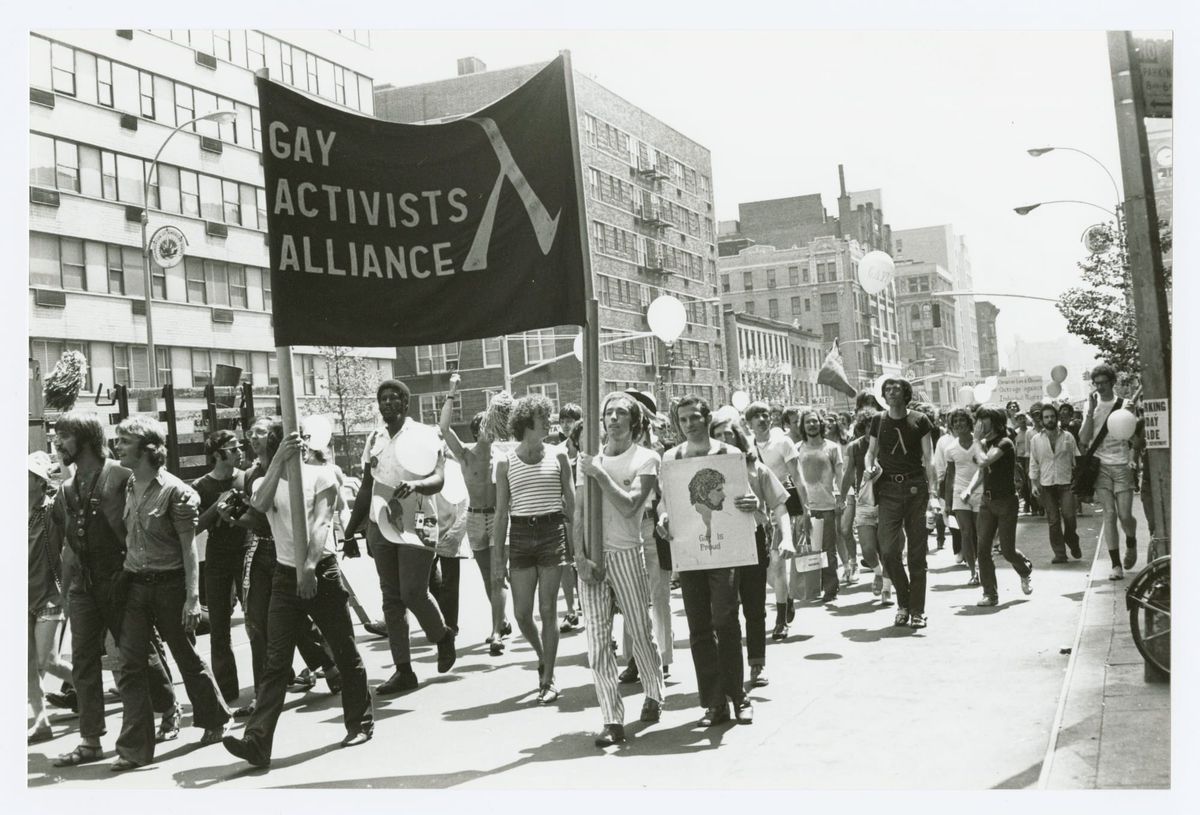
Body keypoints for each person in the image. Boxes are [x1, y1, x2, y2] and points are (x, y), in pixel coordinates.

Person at [222, 420, 373, 768]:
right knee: (276, 661)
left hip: (321, 570)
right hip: (284, 574)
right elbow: (257, 505)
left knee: (344, 649)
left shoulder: (322, 476)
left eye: (300, 443)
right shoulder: (265, 481)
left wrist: (309, 568)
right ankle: (257, 742)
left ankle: (360, 723)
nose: (301, 448)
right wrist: (276, 463)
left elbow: (321, 522)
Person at [48, 411, 180, 768]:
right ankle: (90, 740)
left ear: (87, 439)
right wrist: (64, 593)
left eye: (65, 436)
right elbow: (70, 545)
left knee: (134, 658)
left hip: (123, 580)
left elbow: (149, 517)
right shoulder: (68, 487)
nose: (59, 444)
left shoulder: (122, 476)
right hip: (85, 585)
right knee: (83, 663)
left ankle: (168, 707)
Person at [111, 415, 231, 771]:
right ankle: (134, 748)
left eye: (124, 441)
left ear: (148, 449)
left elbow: (189, 548)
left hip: (170, 586)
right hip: (136, 585)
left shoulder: (177, 492)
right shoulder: (129, 485)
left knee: (184, 654)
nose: (117, 446)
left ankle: (215, 718)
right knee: (131, 663)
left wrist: (193, 598)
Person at [346, 379, 457, 693]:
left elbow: (437, 478)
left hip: (418, 517)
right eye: (383, 399)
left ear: (406, 404)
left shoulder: (425, 434)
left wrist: (418, 486)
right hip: (382, 521)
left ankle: (442, 635)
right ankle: (403, 670)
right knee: (391, 600)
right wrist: (353, 530)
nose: (388, 403)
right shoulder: (375, 437)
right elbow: (367, 488)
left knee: (412, 592)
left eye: (395, 398)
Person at [657, 395, 757, 727]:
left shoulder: (728, 454)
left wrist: (751, 501)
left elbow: (747, 497)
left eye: (695, 417)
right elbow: (665, 502)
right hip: (689, 551)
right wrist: (663, 517)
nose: (690, 424)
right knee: (699, 626)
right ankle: (713, 702)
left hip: (725, 549)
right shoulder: (672, 458)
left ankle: (739, 695)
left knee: (726, 618)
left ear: (707, 417)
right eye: (683, 419)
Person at [229, 419, 340, 719]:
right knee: (257, 622)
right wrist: (237, 517)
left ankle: (329, 664)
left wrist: (310, 563)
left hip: (298, 552)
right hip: (264, 548)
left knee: (300, 621)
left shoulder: (312, 472)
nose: (254, 438)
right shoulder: (254, 474)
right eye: (250, 433)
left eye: (261, 433)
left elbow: (320, 519)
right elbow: (258, 513)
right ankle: (262, 698)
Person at [575, 392, 664, 746]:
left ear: (635, 421)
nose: (613, 419)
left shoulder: (646, 458)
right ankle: (611, 719)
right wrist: (579, 558)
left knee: (639, 631)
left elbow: (630, 507)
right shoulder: (589, 461)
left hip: (627, 553)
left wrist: (599, 474)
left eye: (621, 413)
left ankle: (654, 691)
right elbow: (580, 512)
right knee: (597, 643)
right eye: (608, 413)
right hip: (594, 558)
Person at [494, 394, 574, 703]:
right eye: (544, 417)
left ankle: (549, 677)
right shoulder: (505, 461)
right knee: (522, 613)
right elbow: (501, 513)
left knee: (548, 609)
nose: (549, 422)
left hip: (551, 531)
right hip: (521, 535)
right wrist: (498, 561)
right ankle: (543, 655)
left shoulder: (559, 456)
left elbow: (572, 504)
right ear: (528, 422)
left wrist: (576, 542)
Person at [710, 416, 792, 689]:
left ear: (738, 437)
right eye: (717, 434)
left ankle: (757, 664)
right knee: (723, 611)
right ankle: (726, 667)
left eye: (728, 434)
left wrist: (787, 539)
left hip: (752, 541)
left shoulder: (756, 469)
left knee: (754, 608)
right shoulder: (700, 468)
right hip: (717, 545)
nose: (723, 439)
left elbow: (779, 506)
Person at [439, 375, 513, 654]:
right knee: (487, 577)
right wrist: (452, 392)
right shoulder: (466, 456)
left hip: (497, 518)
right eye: (485, 427)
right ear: (477, 431)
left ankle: (495, 632)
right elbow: (444, 428)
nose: (490, 432)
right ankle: (502, 619)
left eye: (493, 427)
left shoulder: (502, 455)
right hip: (473, 518)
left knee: (498, 576)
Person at [863, 377, 937, 629]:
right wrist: (869, 467)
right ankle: (903, 601)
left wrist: (934, 494)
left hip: (916, 488)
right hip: (889, 490)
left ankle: (916, 610)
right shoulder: (878, 420)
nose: (891, 391)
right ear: (883, 396)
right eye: (887, 389)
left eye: (897, 388)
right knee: (888, 551)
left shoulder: (920, 420)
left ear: (906, 394)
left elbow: (929, 458)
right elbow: (870, 452)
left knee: (917, 552)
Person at [618, 392, 674, 685]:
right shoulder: (614, 450)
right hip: (626, 528)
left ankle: (662, 657)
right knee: (630, 597)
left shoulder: (659, 452)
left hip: (654, 526)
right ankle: (633, 659)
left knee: (658, 596)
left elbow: (667, 492)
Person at [191, 429, 249, 706]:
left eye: (239, 447)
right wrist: (217, 506)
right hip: (218, 555)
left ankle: (272, 680)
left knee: (257, 618)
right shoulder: (201, 486)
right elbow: (194, 526)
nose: (239, 452)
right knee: (220, 623)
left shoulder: (246, 477)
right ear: (217, 455)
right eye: (233, 448)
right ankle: (226, 689)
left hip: (247, 550)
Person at [963, 406, 1034, 606]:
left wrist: (976, 440)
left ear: (995, 423)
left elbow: (985, 461)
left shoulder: (1005, 443)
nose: (979, 425)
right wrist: (970, 488)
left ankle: (1024, 569)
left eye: (983, 420)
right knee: (983, 549)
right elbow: (981, 469)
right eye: (978, 420)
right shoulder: (984, 443)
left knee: (1007, 550)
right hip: (987, 501)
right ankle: (990, 594)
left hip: (1006, 502)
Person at [746, 402, 802, 639]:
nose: (762, 419)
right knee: (768, 572)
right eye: (756, 416)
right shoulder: (744, 446)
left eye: (765, 415)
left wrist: (806, 511)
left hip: (782, 503)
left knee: (778, 564)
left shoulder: (783, 442)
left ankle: (781, 620)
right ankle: (787, 597)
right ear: (748, 423)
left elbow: (797, 477)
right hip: (757, 510)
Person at [28, 451, 73, 744]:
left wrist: (60, 461)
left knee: (47, 660)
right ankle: (41, 720)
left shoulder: (52, 509)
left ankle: (88, 684)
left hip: (49, 595)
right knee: (28, 663)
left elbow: (71, 489)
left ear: (39, 481)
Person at [1079, 364, 1139, 579]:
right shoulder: (1091, 406)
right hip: (1100, 466)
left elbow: (1135, 438)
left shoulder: (1124, 405)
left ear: (1113, 382)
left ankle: (1131, 542)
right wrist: (1090, 413)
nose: (1100, 387)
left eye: (1104, 383)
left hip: (1122, 465)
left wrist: (1132, 418)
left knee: (1124, 515)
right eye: (1097, 384)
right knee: (1109, 514)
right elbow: (1084, 440)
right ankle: (1115, 565)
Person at [840, 410, 891, 604]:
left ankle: (887, 588)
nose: (874, 429)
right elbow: (847, 474)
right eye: (870, 426)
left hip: (889, 501)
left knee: (888, 549)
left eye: (878, 426)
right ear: (865, 427)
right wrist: (842, 497)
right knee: (868, 549)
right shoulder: (855, 446)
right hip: (864, 502)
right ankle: (877, 572)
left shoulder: (888, 444)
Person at [795, 409, 844, 603]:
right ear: (803, 426)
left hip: (826, 506)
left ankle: (831, 588)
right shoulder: (797, 448)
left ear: (820, 424)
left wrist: (841, 498)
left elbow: (839, 475)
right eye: (808, 422)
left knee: (827, 549)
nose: (812, 425)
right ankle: (812, 587)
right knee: (807, 550)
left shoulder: (831, 447)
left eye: (815, 421)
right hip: (804, 507)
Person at [1029, 404, 1082, 563]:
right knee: (1053, 521)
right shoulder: (1036, 440)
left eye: (1052, 416)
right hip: (1047, 484)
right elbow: (1034, 462)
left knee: (1069, 517)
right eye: (1046, 417)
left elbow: (1076, 459)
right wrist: (1033, 483)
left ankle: (1072, 541)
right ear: (1042, 419)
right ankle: (1060, 553)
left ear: (1057, 417)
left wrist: (1078, 480)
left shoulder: (1068, 437)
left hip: (1066, 483)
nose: (1050, 419)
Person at [934, 409, 981, 585]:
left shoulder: (979, 444)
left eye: (963, 420)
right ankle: (973, 571)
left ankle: (983, 566)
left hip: (979, 491)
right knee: (966, 533)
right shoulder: (950, 449)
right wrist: (947, 502)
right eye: (956, 421)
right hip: (959, 494)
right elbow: (950, 476)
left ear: (969, 423)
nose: (959, 424)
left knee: (980, 533)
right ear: (952, 426)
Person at [556, 402, 584, 633]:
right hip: (563, 515)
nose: (566, 425)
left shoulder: (587, 449)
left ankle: (587, 604)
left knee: (582, 561)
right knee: (565, 563)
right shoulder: (557, 451)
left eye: (570, 420)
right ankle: (571, 610)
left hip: (584, 516)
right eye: (563, 421)